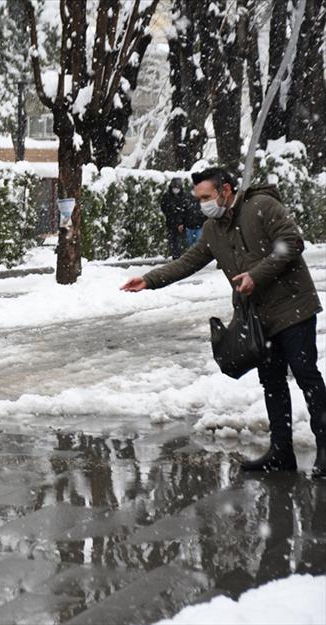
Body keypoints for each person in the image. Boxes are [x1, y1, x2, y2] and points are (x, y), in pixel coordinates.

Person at [122, 167, 325, 478]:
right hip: (258, 319)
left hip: (293, 307)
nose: (202, 203)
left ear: (226, 190)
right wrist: (149, 280)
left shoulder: (262, 207)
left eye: (206, 197)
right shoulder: (213, 229)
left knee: (307, 377)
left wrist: (256, 276)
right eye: (199, 198)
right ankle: (281, 453)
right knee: (272, 384)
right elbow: (189, 261)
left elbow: (291, 243)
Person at [159, 177, 189, 259]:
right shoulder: (167, 196)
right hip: (171, 223)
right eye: (174, 188)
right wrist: (171, 212)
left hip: (182, 224)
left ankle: (180, 258)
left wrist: (183, 222)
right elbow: (164, 207)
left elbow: (187, 210)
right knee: (173, 242)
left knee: (181, 242)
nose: (176, 190)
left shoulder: (184, 196)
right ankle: (176, 257)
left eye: (177, 188)